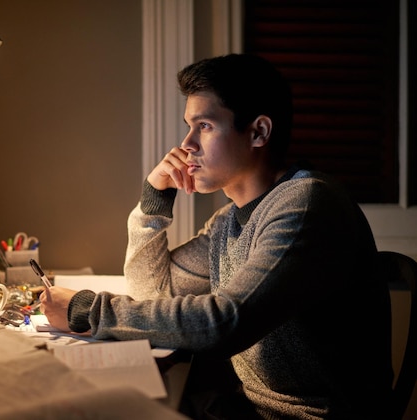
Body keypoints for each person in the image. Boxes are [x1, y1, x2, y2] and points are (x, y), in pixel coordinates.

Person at [40, 54, 393, 419]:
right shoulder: (228, 222)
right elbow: (152, 292)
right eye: (188, 127)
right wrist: (154, 199)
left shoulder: (305, 205)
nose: (186, 145)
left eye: (204, 126)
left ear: (258, 132)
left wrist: (88, 311)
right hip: (252, 410)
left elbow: (225, 323)